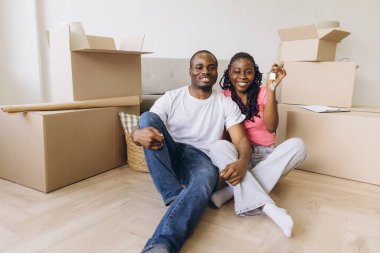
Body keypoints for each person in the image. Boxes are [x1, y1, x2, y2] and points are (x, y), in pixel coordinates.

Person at [131, 50, 253, 253]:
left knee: (204, 182)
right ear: (190, 71)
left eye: (211, 67)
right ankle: (175, 194)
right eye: (199, 67)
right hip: (169, 150)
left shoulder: (225, 103)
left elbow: (242, 141)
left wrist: (242, 163)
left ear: (216, 72)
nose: (205, 71)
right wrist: (136, 135)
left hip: (201, 159)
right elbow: (145, 125)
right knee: (146, 119)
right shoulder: (172, 97)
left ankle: (161, 245)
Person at [209, 52, 307, 237]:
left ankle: (230, 192)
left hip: (266, 156)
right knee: (217, 147)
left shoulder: (263, 92)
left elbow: (271, 127)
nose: (242, 77)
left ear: (255, 73)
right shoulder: (223, 96)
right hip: (238, 155)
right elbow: (221, 133)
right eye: (237, 71)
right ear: (229, 73)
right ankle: (270, 209)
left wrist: (271, 90)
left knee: (299, 145)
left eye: (248, 72)